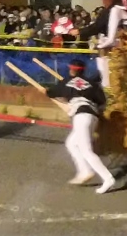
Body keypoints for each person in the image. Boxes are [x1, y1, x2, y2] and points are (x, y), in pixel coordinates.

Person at [45, 59, 117, 194]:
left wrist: (46, 92)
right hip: (92, 117)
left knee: (86, 151)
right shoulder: (93, 84)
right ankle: (85, 171)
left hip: (81, 116)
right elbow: (102, 101)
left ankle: (108, 178)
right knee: (71, 143)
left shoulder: (66, 81)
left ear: (71, 69)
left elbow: (51, 92)